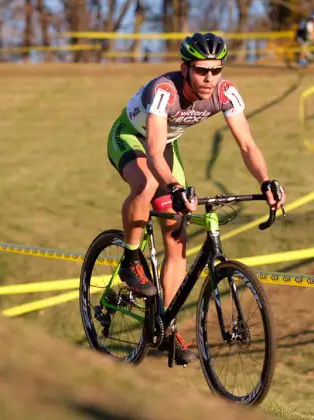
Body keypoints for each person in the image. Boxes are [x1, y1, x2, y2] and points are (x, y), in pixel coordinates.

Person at [106, 32, 286, 364]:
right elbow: (154, 152)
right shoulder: (164, 91)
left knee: (177, 244)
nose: (209, 78)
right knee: (146, 185)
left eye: (215, 71)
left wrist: (266, 182)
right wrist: (174, 186)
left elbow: (246, 144)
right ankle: (131, 259)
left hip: (165, 148)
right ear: (185, 68)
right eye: (202, 70)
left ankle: (167, 326)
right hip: (133, 139)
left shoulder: (225, 92)